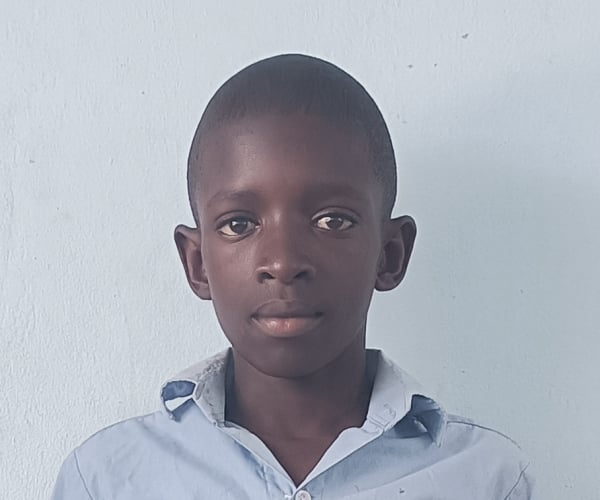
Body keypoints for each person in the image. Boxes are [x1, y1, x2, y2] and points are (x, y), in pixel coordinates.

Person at [51, 54, 534, 499]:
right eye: (239, 224)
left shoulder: (486, 479)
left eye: (332, 221)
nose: (282, 263)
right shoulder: (106, 480)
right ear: (197, 263)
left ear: (390, 255)